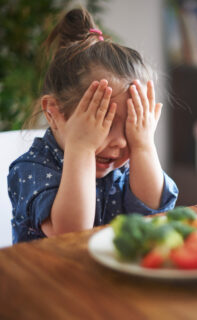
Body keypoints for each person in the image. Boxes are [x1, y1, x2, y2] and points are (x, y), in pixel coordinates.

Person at [7, 7, 178, 244]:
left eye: (130, 127)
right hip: (47, 277)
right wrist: (82, 149)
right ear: (53, 113)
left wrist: (143, 145)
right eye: (104, 124)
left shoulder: (127, 164)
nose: (120, 141)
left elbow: (154, 211)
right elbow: (71, 233)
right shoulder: (31, 169)